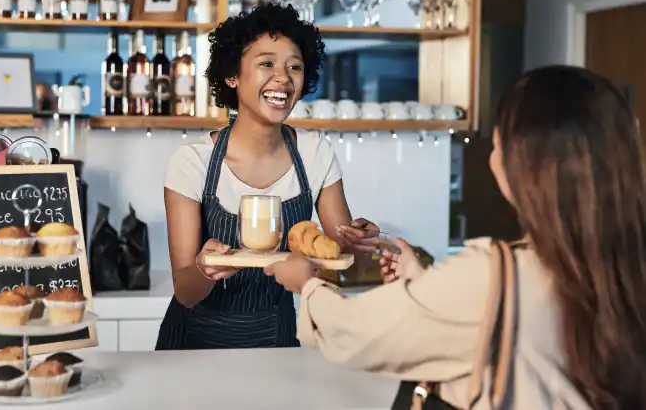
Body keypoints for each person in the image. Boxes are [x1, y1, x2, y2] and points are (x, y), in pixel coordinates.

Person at [267, 65, 646, 409]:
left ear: (526, 165)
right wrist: (427, 286)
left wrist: (308, 286)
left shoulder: (492, 275)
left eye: (500, 142)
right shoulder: (625, 264)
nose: (493, 152)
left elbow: (353, 334)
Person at [155, 2, 379, 350]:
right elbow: (185, 292)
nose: (283, 78)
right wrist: (205, 269)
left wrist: (360, 242)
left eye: (295, 66)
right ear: (232, 74)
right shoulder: (192, 162)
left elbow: (340, 265)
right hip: (193, 346)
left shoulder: (314, 153)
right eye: (266, 64)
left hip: (276, 340)